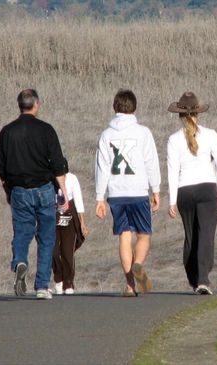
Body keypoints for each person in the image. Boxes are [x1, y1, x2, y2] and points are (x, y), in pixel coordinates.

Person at [0, 88, 69, 300]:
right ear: (36, 105)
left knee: (22, 232)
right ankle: (42, 286)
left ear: (20, 105)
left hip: (19, 190)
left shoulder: (7, 132)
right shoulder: (46, 130)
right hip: (44, 189)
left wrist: (8, 189)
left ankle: (20, 261)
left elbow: (0, 166)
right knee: (46, 238)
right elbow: (58, 164)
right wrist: (63, 192)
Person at [95, 89, 160, 297]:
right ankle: (138, 264)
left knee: (124, 235)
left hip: (116, 193)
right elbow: (151, 162)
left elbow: (102, 167)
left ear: (115, 107)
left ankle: (130, 285)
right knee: (144, 235)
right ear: (134, 107)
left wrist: (99, 198)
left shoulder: (106, 134)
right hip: (138, 190)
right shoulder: (143, 132)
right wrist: (156, 189)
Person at [166, 91, 217, 295]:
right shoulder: (210, 135)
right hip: (208, 189)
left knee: (190, 236)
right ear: (198, 114)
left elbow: (173, 171)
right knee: (206, 234)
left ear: (180, 115)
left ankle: (193, 278)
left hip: (184, 191)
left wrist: (172, 202)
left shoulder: (174, 139)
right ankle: (203, 279)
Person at [52, 169, 89, 295]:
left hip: (70, 217)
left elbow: (78, 201)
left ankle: (68, 282)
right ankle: (58, 280)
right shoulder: (48, 178)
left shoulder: (72, 178)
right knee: (54, 251)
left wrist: (82, 222)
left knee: (67, 251)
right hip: (53, 216)